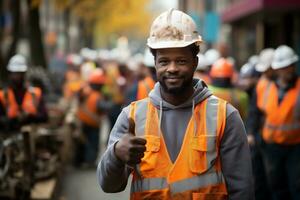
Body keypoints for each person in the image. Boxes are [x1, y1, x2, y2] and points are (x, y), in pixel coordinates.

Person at [98, 9, 253, 199]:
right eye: (164, 61)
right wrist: (116, 154)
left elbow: (242, 190)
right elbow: (108, 186)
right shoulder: (132, 117)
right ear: (155, 64)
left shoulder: (225, 116)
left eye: (181, 61)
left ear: (195, 62)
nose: (172, 68)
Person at [261, 45, 300, 199]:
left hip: (295, 147)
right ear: (277, 69)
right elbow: (258, 112)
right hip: (272, 147)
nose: (288, 70)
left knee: (296, 187)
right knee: (276, 187)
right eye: (284, 67)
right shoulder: (266, 87)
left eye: (290, 66)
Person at [0, 54, 48, 132]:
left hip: (32, 135)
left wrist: (29, 116)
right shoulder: (3, 95)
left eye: (20, 73)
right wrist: (13, 120)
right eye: (15, 73)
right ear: (10, 74)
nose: (17, 76)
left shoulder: (35, 94)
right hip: (10, 135)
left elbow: (44, 117)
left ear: (24, 74)